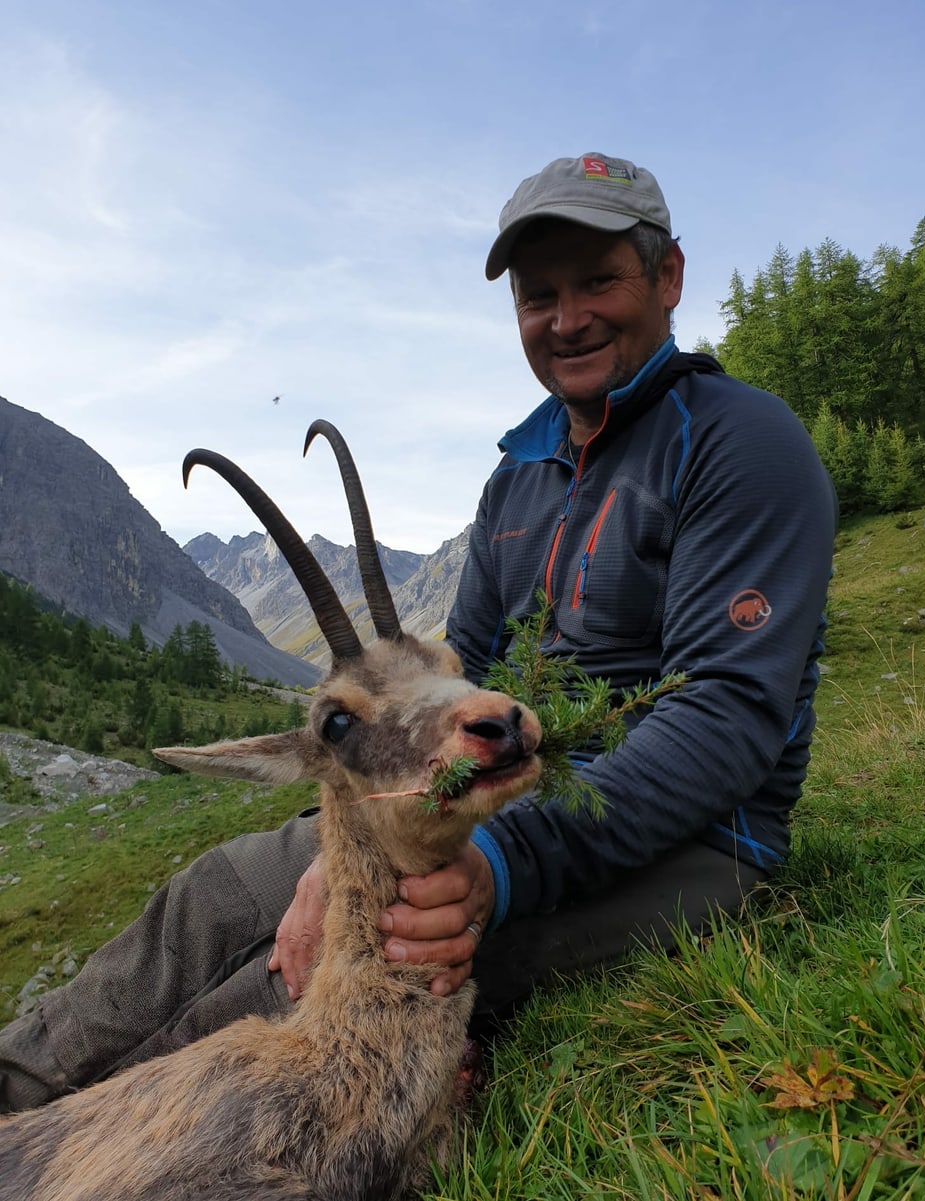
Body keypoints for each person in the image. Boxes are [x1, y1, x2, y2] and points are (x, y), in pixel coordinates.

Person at [0, 153, 837, 1111]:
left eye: (600, 280)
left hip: (683, 841)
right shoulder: (517, 474)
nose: (567, 319)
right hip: (485, 798)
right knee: (216, 895)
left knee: (315, 978)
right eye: (540, 294)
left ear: (669, 277)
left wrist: (498, 862)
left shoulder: (741, 443)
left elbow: (723, 720)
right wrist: (349, 847)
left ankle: (78, 1148)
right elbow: (446, 690)